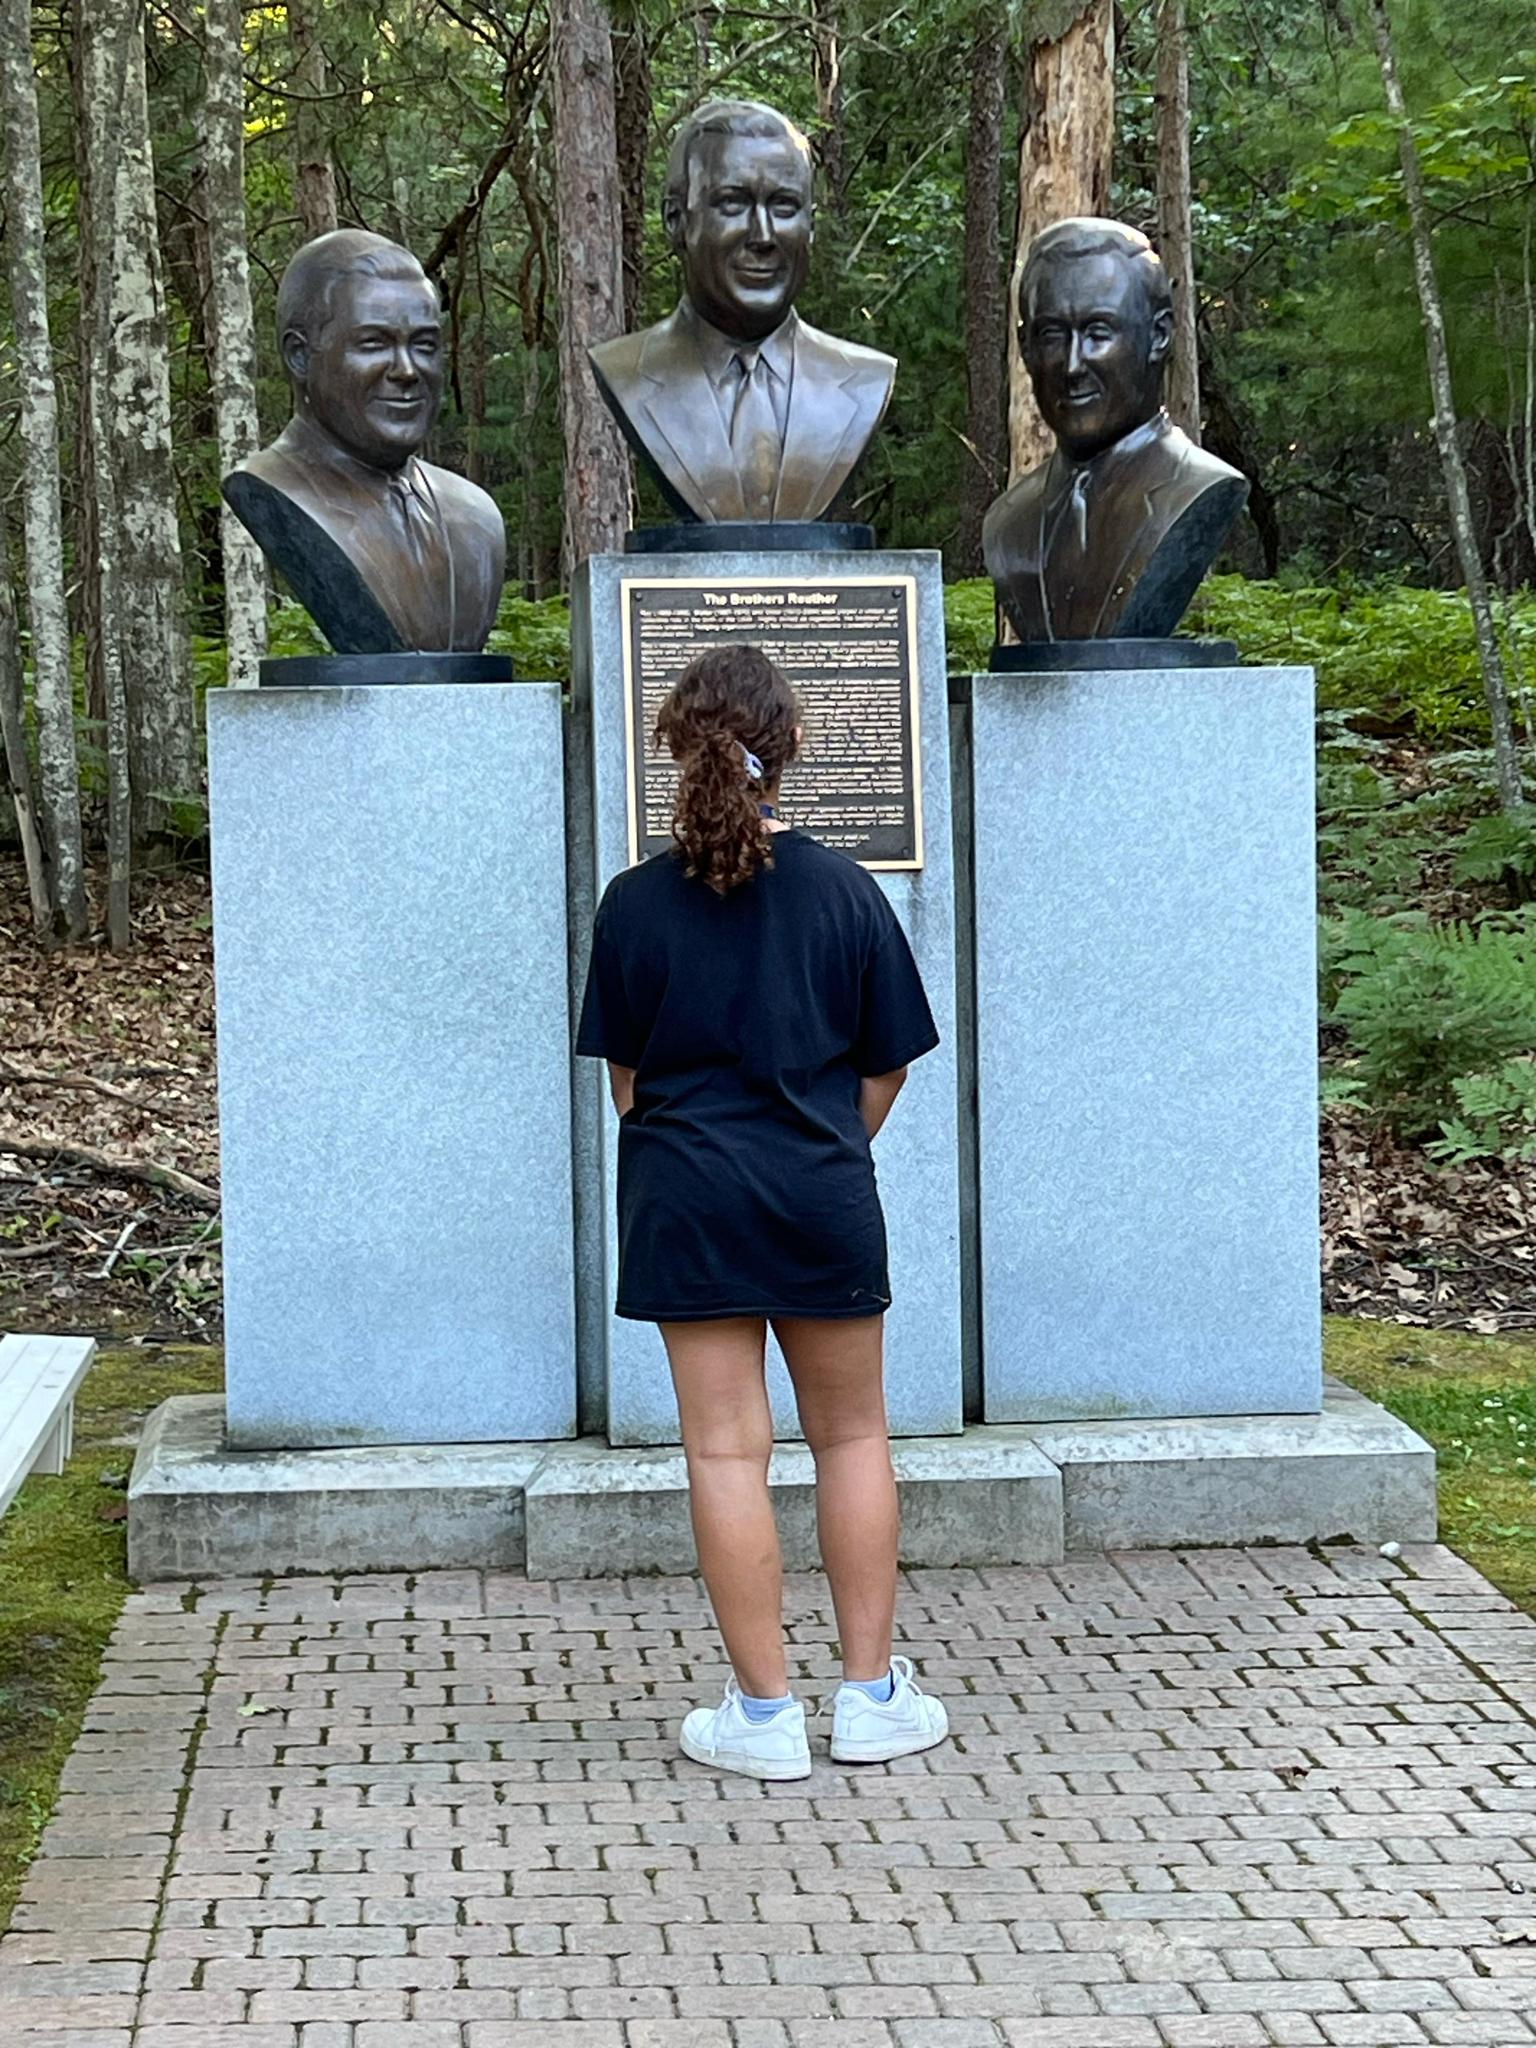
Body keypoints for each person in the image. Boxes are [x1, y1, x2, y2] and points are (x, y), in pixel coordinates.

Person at [576, 644, 947, 1780]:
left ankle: (764, 1714)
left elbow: (629, 1083)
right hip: (820, 1194)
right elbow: (887, 1064)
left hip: (686, 1200)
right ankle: (872, 1699)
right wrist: (821, 1150)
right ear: (788, 747)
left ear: (674, 749)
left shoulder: (633, 904)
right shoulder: (847, 891)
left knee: (725, 1452)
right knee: (854, 1436)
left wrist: (703, 1157)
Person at [588, 100, 896, 525]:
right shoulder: (627, 372)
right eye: (733, 204)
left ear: (811, 224)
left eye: (784, 207)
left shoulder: (865, 381)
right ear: (676, 220)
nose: (763, 236)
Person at [223, 229, 505, 654]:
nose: (407, 370)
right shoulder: (273, 489)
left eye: (424, 345)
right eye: (374, 344)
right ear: (300, 356)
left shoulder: (476, 515)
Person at [982, 217, 1248, 643]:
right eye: (1052, 336)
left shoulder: (1198, 487)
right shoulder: (1006, 524)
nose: (1073, 365)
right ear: (1026, 348)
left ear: (1159, 335)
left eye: (1098, 332)